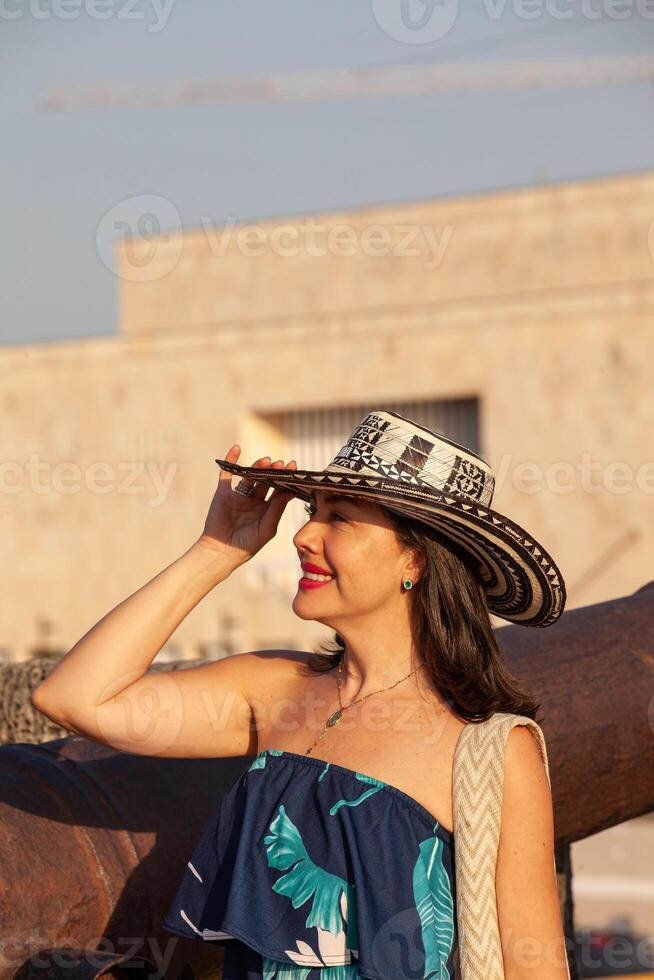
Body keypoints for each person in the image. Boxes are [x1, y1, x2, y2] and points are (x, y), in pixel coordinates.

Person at [31, 410, 569, 980]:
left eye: (340, 518)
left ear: (415, 558)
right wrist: (217, 552)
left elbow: (534, 963)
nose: (303, 534)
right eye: (313, 512)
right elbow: (76, 697)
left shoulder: (488, 749)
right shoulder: (274, 690)